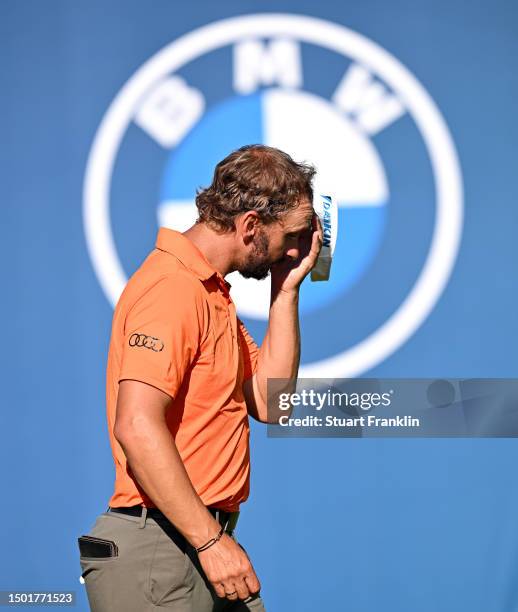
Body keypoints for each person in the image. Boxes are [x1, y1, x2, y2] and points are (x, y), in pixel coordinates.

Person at [78, 144, 322, 611]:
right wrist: (211, 543)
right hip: (164, 551)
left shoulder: (210, 291)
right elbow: (135, 424)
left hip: (195, 544)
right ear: (251, 225)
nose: (296, 248)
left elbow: (272, 404)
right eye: (291, 235)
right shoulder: (175, 289)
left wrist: (285, 290)